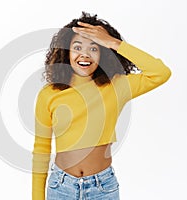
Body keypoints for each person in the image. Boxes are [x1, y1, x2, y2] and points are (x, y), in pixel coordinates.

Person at [32, 12, 171, 200]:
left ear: (103, 53)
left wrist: (114, 42)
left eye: (94, 48)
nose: (85, 54)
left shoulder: (116, 86)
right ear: (67, 52)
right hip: (61, 187)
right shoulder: (49, 94)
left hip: (102, 188)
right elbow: (41, 148)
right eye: (77, 47)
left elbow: (160, 73)